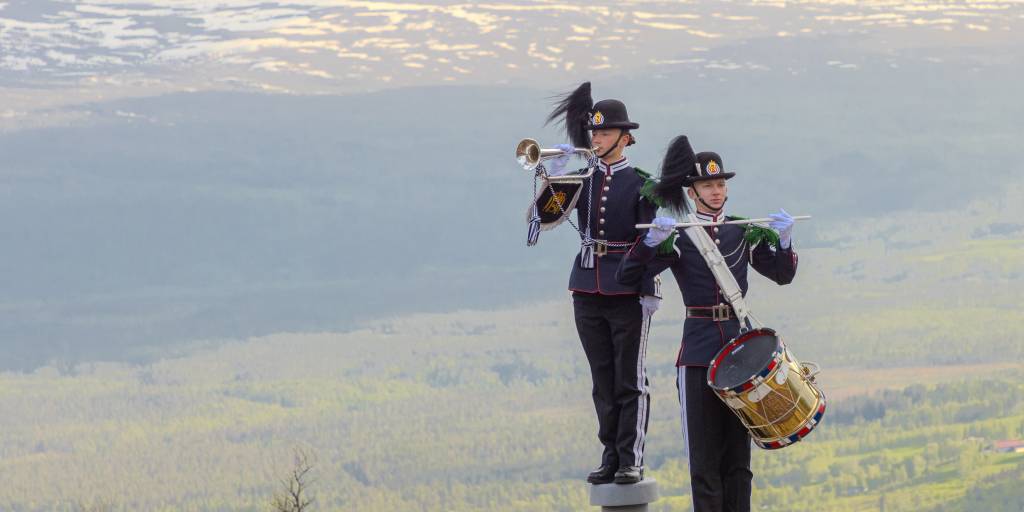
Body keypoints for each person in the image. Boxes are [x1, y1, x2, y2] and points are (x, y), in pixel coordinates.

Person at [616, 136, 798, 509]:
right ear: (692, 191)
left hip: (742, 353)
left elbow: (782, 274)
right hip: (698, 354)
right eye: (707, 186)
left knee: (738, 459)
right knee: (704, 460)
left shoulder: (741, 230)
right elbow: (628, 276)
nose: (716, 192)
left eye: (720, 184)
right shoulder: (681, 236)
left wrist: (784, 242)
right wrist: (651, 241)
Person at [529, 82, 660, 484]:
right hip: (587, 286)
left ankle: (630, 458)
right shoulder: (582, 177)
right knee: (601, 378)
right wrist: (554, 176)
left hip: (626, 289)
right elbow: (542, 219)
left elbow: (652, 242)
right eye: (594, 133)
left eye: (604, 133)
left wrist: (646, 287)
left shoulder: (642, 184)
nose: (597, 139)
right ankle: (610, 454)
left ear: (625, 138)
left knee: (628, 379)